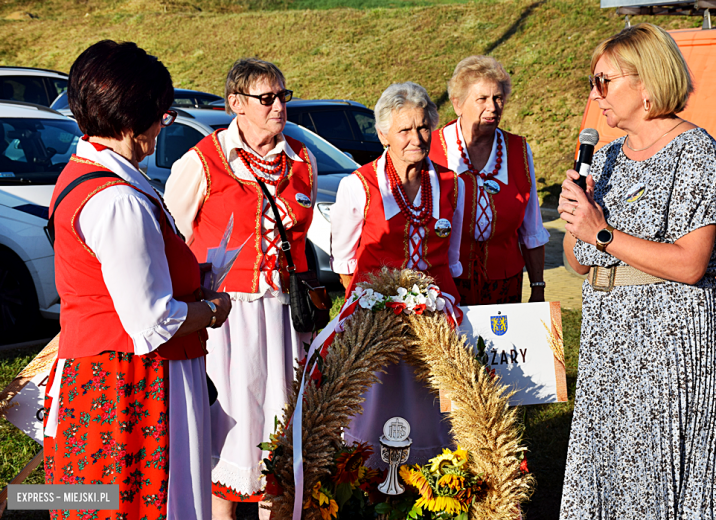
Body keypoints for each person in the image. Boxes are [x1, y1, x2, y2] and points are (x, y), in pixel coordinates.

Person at [43, 40, 231, 520]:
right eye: (160, 116)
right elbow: (152, 321)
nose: (160, 129)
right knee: (142, 504)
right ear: (131, 119)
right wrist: (213, 310)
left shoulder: (95, 175)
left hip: (111, 372)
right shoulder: (116, 199)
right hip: (130, 384)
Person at [557, 23, 716, 518]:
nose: (597, 95)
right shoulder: (608, 156)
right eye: (593, 82)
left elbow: (689, 261)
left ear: (648, 82)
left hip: (664, 336)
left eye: (605, 81)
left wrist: (602, 233)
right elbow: (577, 261)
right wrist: (578, 220)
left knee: (651, 476)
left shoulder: (694, 152)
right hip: (604, 335)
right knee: (606, 470)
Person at [164, 58, 318, 519]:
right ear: (236, 103)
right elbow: (172, 237)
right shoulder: (202, 161)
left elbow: (310, 237)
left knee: (283, 431)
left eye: (282, 97)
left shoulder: (301, 160)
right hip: (227, 320)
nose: (278, 107)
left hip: (287, 318)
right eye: (266, 99)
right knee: (228, 433)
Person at [330, 81, 465, 465]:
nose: (416, 138)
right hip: (376, 323)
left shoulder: (450, 184)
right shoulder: (357, 186)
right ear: (383, 133)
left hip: (436, 319)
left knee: (432, 409)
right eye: (404, 130)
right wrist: (381, 311)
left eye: (424, 127)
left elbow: (450, 259)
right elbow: (345, 265)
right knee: (378, 409)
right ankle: (370, 478)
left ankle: (435, 479)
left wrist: (430, 309)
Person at [428, 55, 549, 305]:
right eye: (482, 99)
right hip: (443, 283)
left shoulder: (518, 150)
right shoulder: (432, 150)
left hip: (505, 284)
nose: (493, 107)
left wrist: (538, 287)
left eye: (498, 98)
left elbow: (532, 227)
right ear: (458, 104)